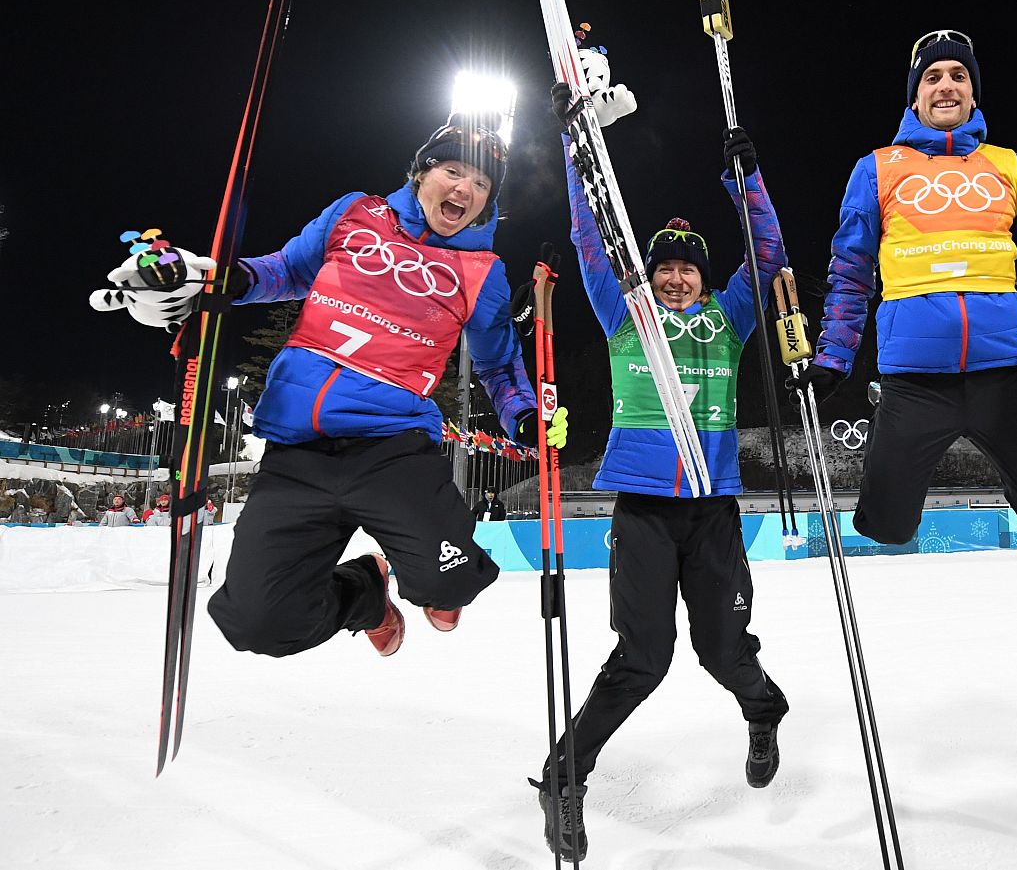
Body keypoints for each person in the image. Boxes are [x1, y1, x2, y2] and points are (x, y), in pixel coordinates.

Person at [91, 109, 564, 661]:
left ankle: (429, 580)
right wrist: (214, 281)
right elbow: (285, 270)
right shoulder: (355, 213)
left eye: (482, 184)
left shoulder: (482, 271)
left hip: (392, 449)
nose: (466, 188)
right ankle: (365, 594)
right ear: (420, 173)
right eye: (454, 171)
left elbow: (499, 365)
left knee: (450, 585)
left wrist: (527, 418)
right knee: (256, 624)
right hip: (298, 449)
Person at [528, 53, 789, 864]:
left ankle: (763, 707)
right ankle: (562, 777)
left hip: (712, 510)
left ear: (704, 277)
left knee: (721, 650)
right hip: (640, 507)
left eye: (688, 266)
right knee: (641, 659)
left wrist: (746, 181)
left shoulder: (730, 318)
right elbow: (586, 235)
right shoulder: (624, 312)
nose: (676, 275)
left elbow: (769, 255)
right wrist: (578, 147)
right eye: (665, 264)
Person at [795, 29, 1017, 549]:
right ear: (914, 94)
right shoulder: (875, 168)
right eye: (932, 77)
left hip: (1002, 376)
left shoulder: (1013, 166)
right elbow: (850, 273)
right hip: (913, 384)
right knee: (887, 527)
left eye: (958, 76)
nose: (946, 86)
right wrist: (833, 359)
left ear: (973, 93)